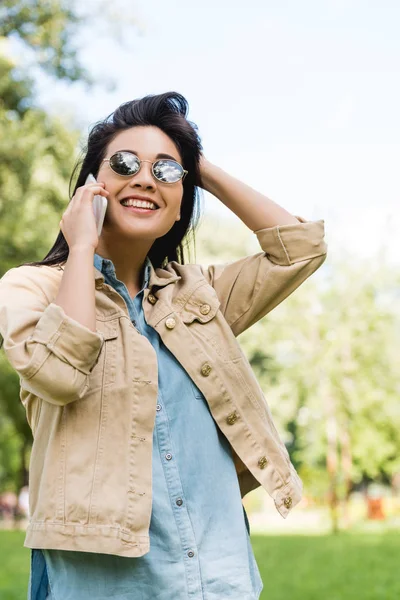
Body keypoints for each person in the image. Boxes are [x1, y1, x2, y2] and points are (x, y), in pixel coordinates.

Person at [0, 91, 327, 600]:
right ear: (91, 186)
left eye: (167, 171)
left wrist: (197, 164)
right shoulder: (30, 288)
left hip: (221, 578)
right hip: (106, 585)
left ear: (181, 203)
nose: (146, 178)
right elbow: (60, 377)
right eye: (124, 163)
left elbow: (300, 249)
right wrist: (82, 245)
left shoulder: (201, 294)